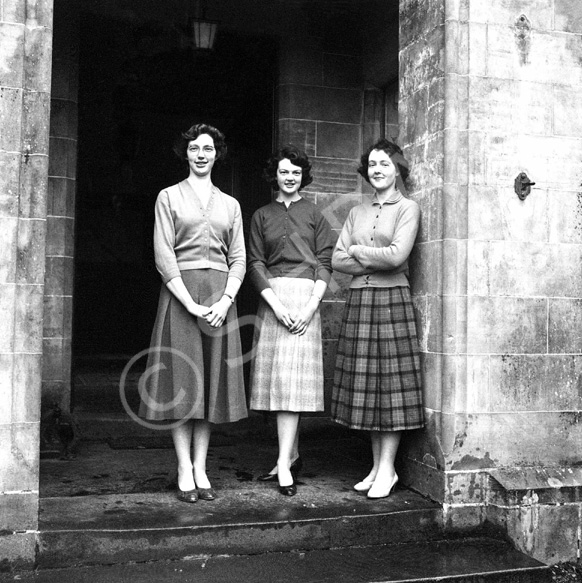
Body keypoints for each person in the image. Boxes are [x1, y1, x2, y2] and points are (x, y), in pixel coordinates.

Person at [139, 123, 247, 503]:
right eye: (194, 148)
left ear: (218, 154)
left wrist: (225, 301)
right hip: (181, 297)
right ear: (185, 153)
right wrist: (188, 302)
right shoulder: (168, 197)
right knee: (182, 383)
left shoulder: (230, 204)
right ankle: (183, 466)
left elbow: (238, 258)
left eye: (208, 148)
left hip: (219, 300)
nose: (201, 154)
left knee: (210, 385)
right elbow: (163, 253)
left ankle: (202, 466)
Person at [331, 138, 424, 499]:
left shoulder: (408, 208)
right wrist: (371, 255)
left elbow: (398, 256)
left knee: (390, 389)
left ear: (397, 168)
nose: (378, 170)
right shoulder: (356, 212)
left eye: (385, 163)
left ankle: (389, 469)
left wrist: (357, 250)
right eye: (372, 164)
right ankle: (376, 467)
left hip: (390, 302)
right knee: (368, 388)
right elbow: (336, 260)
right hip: (359, 300)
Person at [248, 145, 335, 496]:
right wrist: (275, 304)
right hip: (273, 300)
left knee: (292, 388)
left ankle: (284, 463)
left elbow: (325, 261)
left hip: (305, 301)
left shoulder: (315, 215)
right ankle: (290, 455)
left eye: (296, 173)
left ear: (303, 177)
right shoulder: (261, 215)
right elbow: (255, 262)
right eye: (284, 172)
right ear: (275, 175)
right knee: (279, 385)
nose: (290, 178)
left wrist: (311, 306)